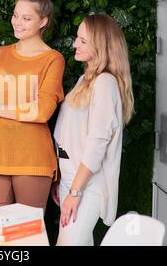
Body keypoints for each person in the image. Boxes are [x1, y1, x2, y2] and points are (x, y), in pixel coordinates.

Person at [0, 0, 65, 213]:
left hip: (33, 159)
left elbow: (42, 111)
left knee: (27, 235)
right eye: (15, 15)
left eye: (26, 18)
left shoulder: (53, 59)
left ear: (42, 22)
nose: (17, 22)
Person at [52, 14, 134, 246]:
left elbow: (97, 144)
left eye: (83, 41)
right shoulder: (84, 79)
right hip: (73, 179)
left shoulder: (105, 83)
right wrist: (65, 182)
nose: (75, 44)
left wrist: (75, 191)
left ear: (101, 46)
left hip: (87, 186)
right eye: (77, 38)